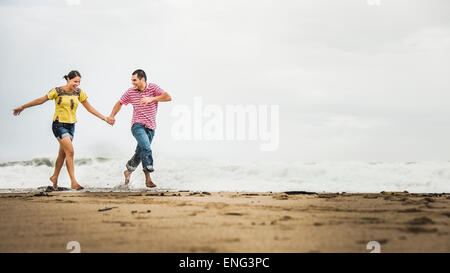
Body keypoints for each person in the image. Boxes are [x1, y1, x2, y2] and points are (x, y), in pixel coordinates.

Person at [13, 70, 114, 190]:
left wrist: (105, 118)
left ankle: (55, 176)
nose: (77, 84)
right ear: (68, 79)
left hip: (71, 127)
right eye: (75, 81)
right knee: (70, 151)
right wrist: (23, 107)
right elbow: (41, 100)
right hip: (59, 124)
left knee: (62, 154)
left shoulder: (79, 93)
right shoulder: (57, 91)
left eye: (79, 82)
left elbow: (90, 108)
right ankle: (73, 182)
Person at [108, 69, 172, 188]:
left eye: (135, 80)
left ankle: (128, 171)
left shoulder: (153, 88)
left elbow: (168, 97)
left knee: (140, 152)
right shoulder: (131, 92)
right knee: (146, 148)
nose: (133, 83)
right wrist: (112, 116)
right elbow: (120, 102)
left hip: (151, 127)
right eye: (132, 80)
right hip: (137, 126)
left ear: (143, 79)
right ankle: (148, 178)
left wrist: (151, 98)